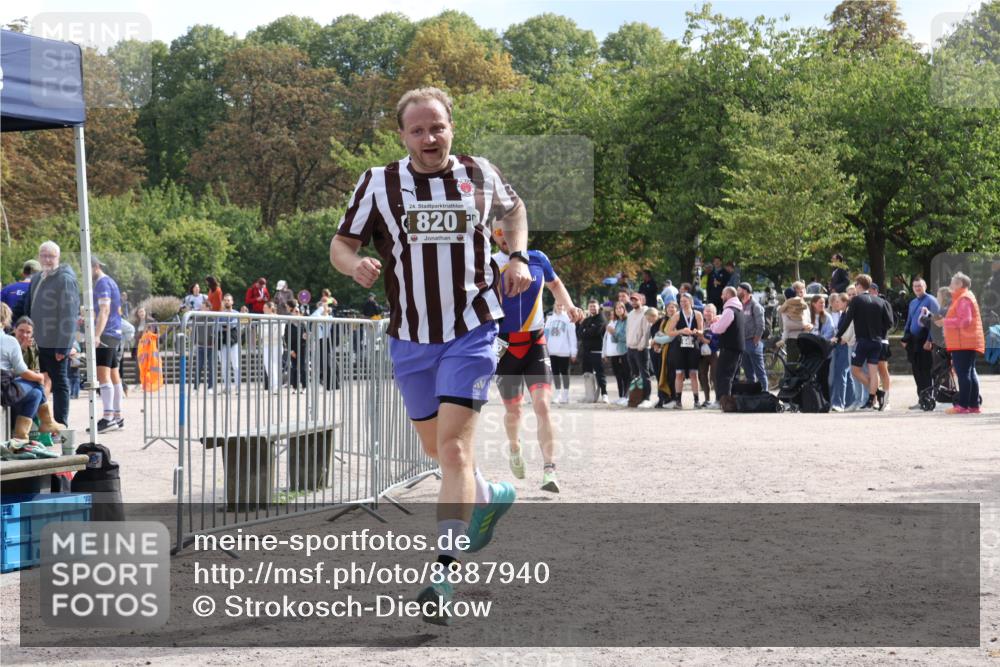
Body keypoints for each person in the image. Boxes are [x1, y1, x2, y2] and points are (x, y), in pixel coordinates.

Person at [328, 86, 530, 625]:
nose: (428, 138)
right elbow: (341, 244)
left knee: (456, 452)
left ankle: (446, 570)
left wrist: (515, 257)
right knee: (437, 452)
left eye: (436, 127)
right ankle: (490, 495)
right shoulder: (378, 183)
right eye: (417, 130)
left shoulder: (479, 173)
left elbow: (516, 209)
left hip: (473, 328)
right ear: (402, 136)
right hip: (411, 338)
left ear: (451, 128)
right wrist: (354, 267)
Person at [493, 230, 582, 490]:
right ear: (492, 235)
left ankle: (549, 470)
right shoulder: (489, 263)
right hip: (505, 346)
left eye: (510, 229)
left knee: (542, 406)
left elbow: (555, 284)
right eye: (499, 231)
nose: (505, 236)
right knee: (514, 411)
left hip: (535, 343)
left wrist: (570, 306)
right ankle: (514, 447)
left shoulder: (538, 258)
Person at [13, 241, 80, 428]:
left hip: (54, 343)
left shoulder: (65, 279)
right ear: (38, 256)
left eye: (51, 256)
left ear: (58, 258)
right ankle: (34, 424)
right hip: (35, 342)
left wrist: (64, 346)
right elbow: (25, 305)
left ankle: (60, 425)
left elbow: (69, 313)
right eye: (44, 255)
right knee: (31, 380)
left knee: (60, 384)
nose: (47, 259)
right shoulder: (36, 278)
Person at [0, 304, 61, 449]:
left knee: (35, 394)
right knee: (36, 384)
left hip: (8, 388)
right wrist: (39, 378)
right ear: (7, 321)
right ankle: (45, 423)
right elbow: (23, 371)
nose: (25, 335)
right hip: (4, 391)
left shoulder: (31, 347)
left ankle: (22, 436)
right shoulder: (9, 341)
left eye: (28, 332)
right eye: (21, 331)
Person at [835, 274, 893, 412]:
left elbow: (847, 320)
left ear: (859, 286)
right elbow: (889, 323)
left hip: (863, 341)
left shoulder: (856, 300)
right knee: (874, 372)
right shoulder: (880, 301)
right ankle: (871, 399)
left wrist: (837, 336)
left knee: (855, 370)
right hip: (878, 341)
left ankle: (877, 394)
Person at [932, 272, 985, 414]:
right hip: (966, 341)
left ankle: (963, 406)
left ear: (960, 284)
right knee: (969, 373)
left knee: (963, 374)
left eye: (952, 282)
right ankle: (973, 406)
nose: (950, 284)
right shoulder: (965, 297)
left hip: (963, 342)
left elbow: (965, 321)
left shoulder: (963, 299)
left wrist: (945, 322)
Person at [91, 257, 125, 433]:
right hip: (115, 331)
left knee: (102, 375)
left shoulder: (102, 283)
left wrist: (96, 334)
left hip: (107, 332)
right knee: (113, 374)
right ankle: (118, 417)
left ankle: (108, 418)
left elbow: (104, 310)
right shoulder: (110, 281)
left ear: (96, 267)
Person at [901, 278, 939, 408]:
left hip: (925, 340)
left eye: (920, 286)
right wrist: (904, 338)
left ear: (925, 286)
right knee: (916, 370)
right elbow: (909, 321)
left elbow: (935, 322)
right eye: (915, 286)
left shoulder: (931, 300)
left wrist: (930, 340)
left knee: (925, 370)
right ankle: (921, 399)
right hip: (913, 341)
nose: (917, 288)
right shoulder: (912, 302)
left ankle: (929, 398)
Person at [665, 292, 704, 409]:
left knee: (693, 373)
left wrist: (696, 332)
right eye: (681, 301)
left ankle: (696, 400)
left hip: (693, 346)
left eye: (685, 301)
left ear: (691, 302)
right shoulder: (677, 315)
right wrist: (681, 331)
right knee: (679, 373)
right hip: (680, 346)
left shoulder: (697, 314)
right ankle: (678, 401)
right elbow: (669, 332)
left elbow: (702, 331)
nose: (683, 303)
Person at [710, 286, 746, 405]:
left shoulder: (729, 309)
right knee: (732, 375)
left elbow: (720, 328)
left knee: (723, 375)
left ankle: (722, 402)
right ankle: (731, 402)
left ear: (728, 295)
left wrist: (712, 326)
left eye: (722, 294)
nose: (721, 296)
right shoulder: (739, 308)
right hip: (738, 346)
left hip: (729, 347)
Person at [544, 303, 578, 405]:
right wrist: (545, 349)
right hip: (552, 351)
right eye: (558, 305)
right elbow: (546, 335)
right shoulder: (550, 319)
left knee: (565, 373)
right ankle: (558, 394)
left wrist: (573, 352)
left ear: (564, 306)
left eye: (561, 305)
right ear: (554, 306)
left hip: (564, 351)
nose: (560, 307)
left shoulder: (568, 319)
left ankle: (565, 395)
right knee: (555, 373)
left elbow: (572, 337)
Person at [827, 293, 855, 412]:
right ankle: (850, 401)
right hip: (841, 345)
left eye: (839, 301)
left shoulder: (847, 312)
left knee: (841, 373)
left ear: (844, 302)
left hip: (844, 345)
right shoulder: (844, 313)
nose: (836, 303)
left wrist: (844, 338)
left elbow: (851, 327)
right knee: (847, 375)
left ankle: (839, 403)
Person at [577, 299, 609, 403]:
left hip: (597, 351)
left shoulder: (602, 319)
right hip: (586, 352)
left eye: (594, 306)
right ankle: (590, 396)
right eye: (590, 306)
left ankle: (604, 394)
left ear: (598, 307)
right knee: (587, 374)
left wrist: (586, 331)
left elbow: (595, 332)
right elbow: (579, 333)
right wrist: (587, 330)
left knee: (600, 374)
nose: (592, 308)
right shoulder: (587, 320)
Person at [625, 292, 653, 408]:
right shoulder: (631, 314)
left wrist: (642, 345)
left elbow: (647, 331)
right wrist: (628, 344)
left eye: (636, 300)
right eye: (632, 300)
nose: (634, 302)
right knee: (635, 375)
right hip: (630, 348)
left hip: (641, 348)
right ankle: (636, 397)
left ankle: (647, 398)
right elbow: (628, 330)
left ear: (641, 301)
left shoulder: (646, 312)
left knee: (644, 374)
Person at [737, 282, 767, 391]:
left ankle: (765, 394)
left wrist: (756, 339)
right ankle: (753, 396)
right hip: (743, 343)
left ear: (744, 291)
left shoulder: (756, 306)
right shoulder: (740, 305)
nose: (737, 292)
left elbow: (761, 325)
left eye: (738, 290)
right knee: (748, 373)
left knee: (760, 372)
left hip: (752, 342)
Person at [604, 302, 629, 405]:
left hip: (626, 351)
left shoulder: (627, 320)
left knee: (626, 375)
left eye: (620, 308)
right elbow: (615, 340)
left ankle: (626, 396)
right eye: (616, 308)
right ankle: (621, 396)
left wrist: (614, 332)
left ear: (624, 309)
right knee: (619, 375)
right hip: (620, 350)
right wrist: (612, 333)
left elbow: (625, 337)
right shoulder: (618, 321)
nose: (618, 310)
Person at [216, 294, 240, 394]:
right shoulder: (219, 314)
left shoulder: (236, 313)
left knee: (235, 365)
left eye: (228, 300)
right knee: (224, 366)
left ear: (232, 302)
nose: (227, 302)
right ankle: (227, 387)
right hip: (222, 342)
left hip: (233, 342)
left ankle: (237, 387)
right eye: (225, 300)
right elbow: (217, 327)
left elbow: (235, 324)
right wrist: (227, 326)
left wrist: (225, 326)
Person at [697, 304, 719, 407]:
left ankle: (718, 400)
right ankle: (707, 399)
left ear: (714, 313)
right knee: (702, 376)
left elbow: (716, 341)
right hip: (702, 355)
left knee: (715, 377)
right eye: (706, 311)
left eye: (710, 311)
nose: (707, 313)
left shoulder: (718, 323)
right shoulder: (700, 323)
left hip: (714, 353)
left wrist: (704, 339)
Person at [260, 301, 285, 393]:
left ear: (271, 308)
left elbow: (280, 333)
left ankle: (276, 386)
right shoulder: (262, 318)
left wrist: (269, 333)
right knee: (268, 365)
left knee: (276, 365)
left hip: (277, 344)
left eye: (265, 307)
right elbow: (261, 333)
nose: (263, 309)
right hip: (266, 345)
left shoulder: (279, 318)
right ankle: (273, 385)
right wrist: (270, 332)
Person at [191, 302, 216, 392]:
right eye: (201, 307)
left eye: (203, 307)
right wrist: (194, 343)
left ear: (208, 308)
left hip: (211, 346)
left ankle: (211, 387)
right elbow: (194, 331)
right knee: (198, 367)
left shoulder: (213, 318)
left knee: (211, 367)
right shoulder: (197, 318)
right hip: (200, 346)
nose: (202, 308)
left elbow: (216, 332)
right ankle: (195, 388)